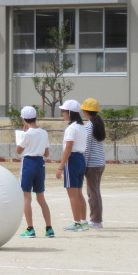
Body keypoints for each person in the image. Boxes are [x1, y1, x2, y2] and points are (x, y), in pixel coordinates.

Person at [16, 106, 54, 238]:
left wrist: (22, 135)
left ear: (23, 119)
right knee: (41, 197)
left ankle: (30, 228)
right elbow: (47, 153)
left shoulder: (27, 134)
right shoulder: (44, 133)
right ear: (36, 117)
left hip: (28, 162)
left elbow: (19, 150)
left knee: (26, 196)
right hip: (40, 163)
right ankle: (49, 228)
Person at [55, 99, 88, 232]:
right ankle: (83, 221)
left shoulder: (71, 128)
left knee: (72, 194)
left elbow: (68, 148)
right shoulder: (82, 127)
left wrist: (60, 167)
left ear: (70, 112)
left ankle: (77, 223)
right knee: (79, 193)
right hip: (81, 159)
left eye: (64, 111)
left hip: (72, 159)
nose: (62, 114)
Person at [81, 98, 107, 229]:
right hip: (100, 162)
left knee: (92, 193)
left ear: (86, 111)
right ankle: (97, 219)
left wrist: (83, 166)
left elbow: (87, 149)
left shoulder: (88, 127)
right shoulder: (98, 125)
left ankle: (96, 220)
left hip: (92, 164)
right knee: (95, 191)